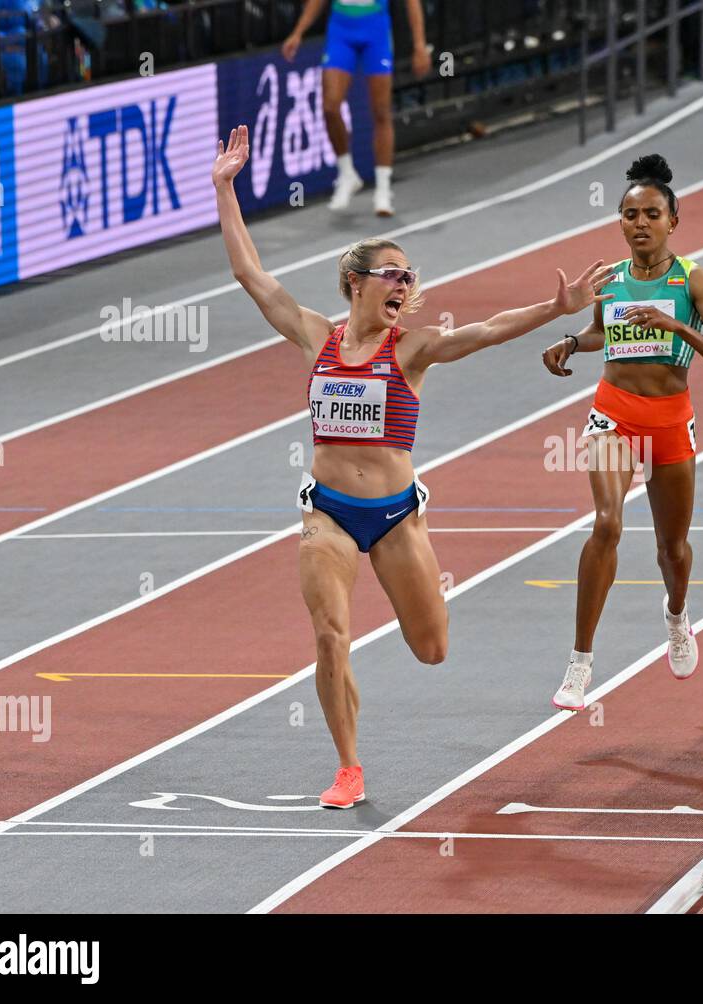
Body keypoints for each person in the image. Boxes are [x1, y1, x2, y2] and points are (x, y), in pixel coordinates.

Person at [213, 125, 614, 806]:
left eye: (410, 276)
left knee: (431, 649)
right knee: (330, 635)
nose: (405, 284)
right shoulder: (318, 336)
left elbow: (484, 331)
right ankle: (348, 766)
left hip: (397, 518)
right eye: (392, 274)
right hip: (328, 515)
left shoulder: (414, 350)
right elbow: (252, 276)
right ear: (355, 283)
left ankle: (355, 686)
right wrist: (225, 188)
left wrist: (555, 308)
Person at [540, 154, 703, 712]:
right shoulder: (611, 281)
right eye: (630, 214)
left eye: (651, 213)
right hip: (614, 412)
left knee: (672, 549)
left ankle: (677, 615)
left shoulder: (694, 279)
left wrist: (680, 326)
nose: (640, 223)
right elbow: (599, 334)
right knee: (606, 524)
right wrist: (569, 343)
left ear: (672, 221)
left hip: (671, 419)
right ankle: (580, 666)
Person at [282, 0, 431, 215]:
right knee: (330, 107)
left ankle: (383, 189)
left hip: (376, 31)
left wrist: (419, 45)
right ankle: (346, 173)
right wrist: (298, 32)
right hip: (341, 31)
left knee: (381, 111)